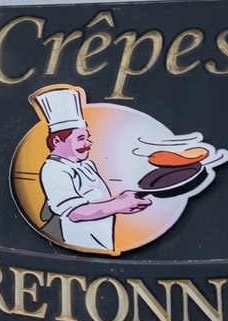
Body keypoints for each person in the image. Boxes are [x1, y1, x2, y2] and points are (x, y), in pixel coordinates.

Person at [31, 84, 150, 254]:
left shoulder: (87, 165)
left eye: (88, 137)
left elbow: (97, 201)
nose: (88, 144)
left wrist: (123, 199)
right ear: (57, 142)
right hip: (74, 243)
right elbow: (74, 212)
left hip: (100, 241)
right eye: (80, 139)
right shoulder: (54, 169)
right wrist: (118, 205)